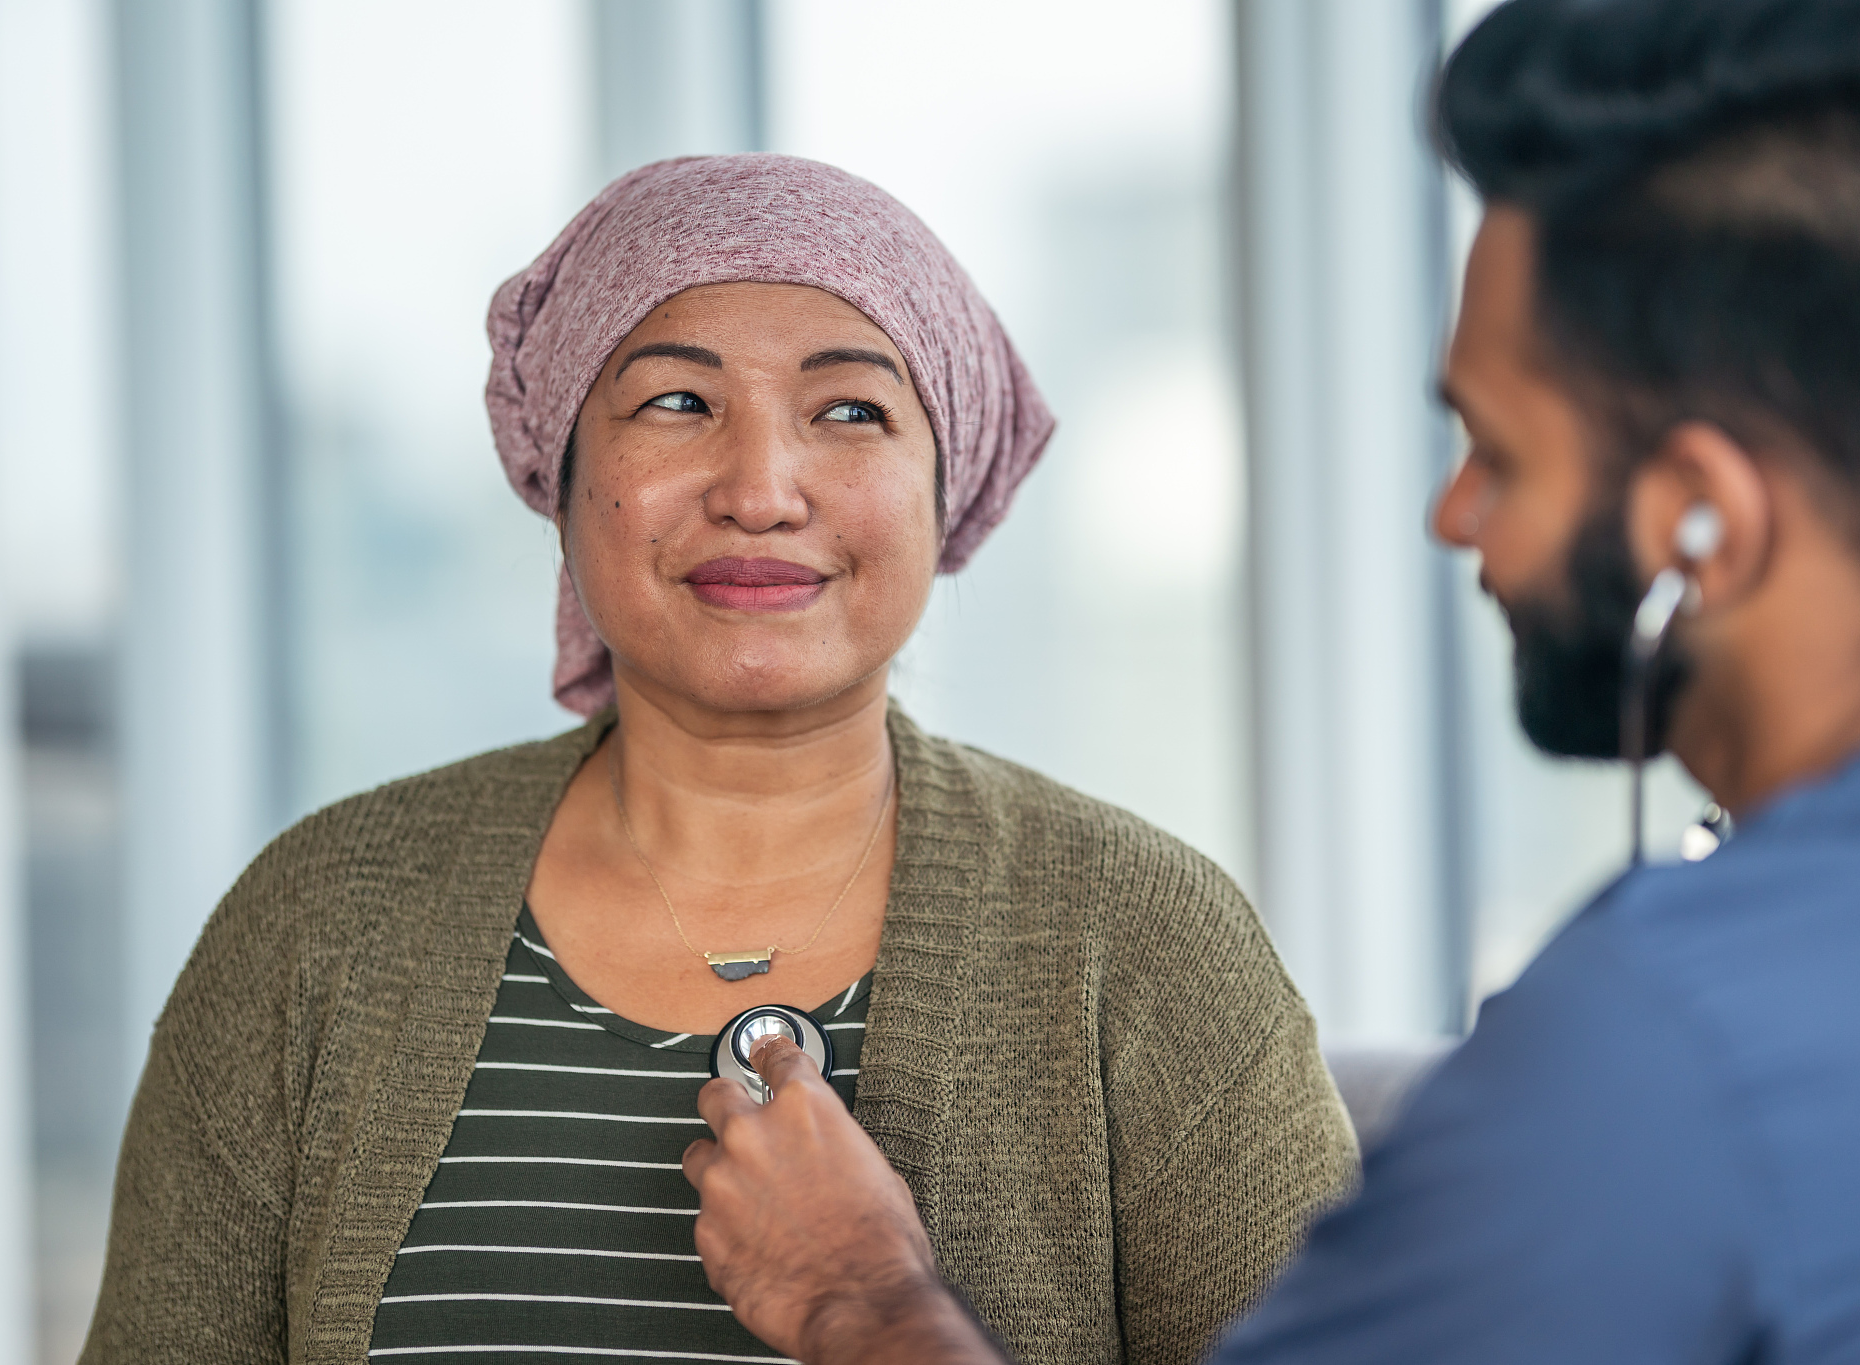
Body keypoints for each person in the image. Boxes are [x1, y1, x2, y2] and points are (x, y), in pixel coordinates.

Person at [673, 2, 1860, 1361]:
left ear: (1699, 522)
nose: (1454, 515)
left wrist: (863, 1295)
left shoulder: (1664, 1056)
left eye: (1497, 451)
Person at [80, 155, 1352, 1364]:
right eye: (676, 401)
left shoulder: (1139, 942)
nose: (760, 488)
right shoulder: (320, 921)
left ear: (941, 490)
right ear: (562, 477)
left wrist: (878, 1312)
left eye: (850, 410)